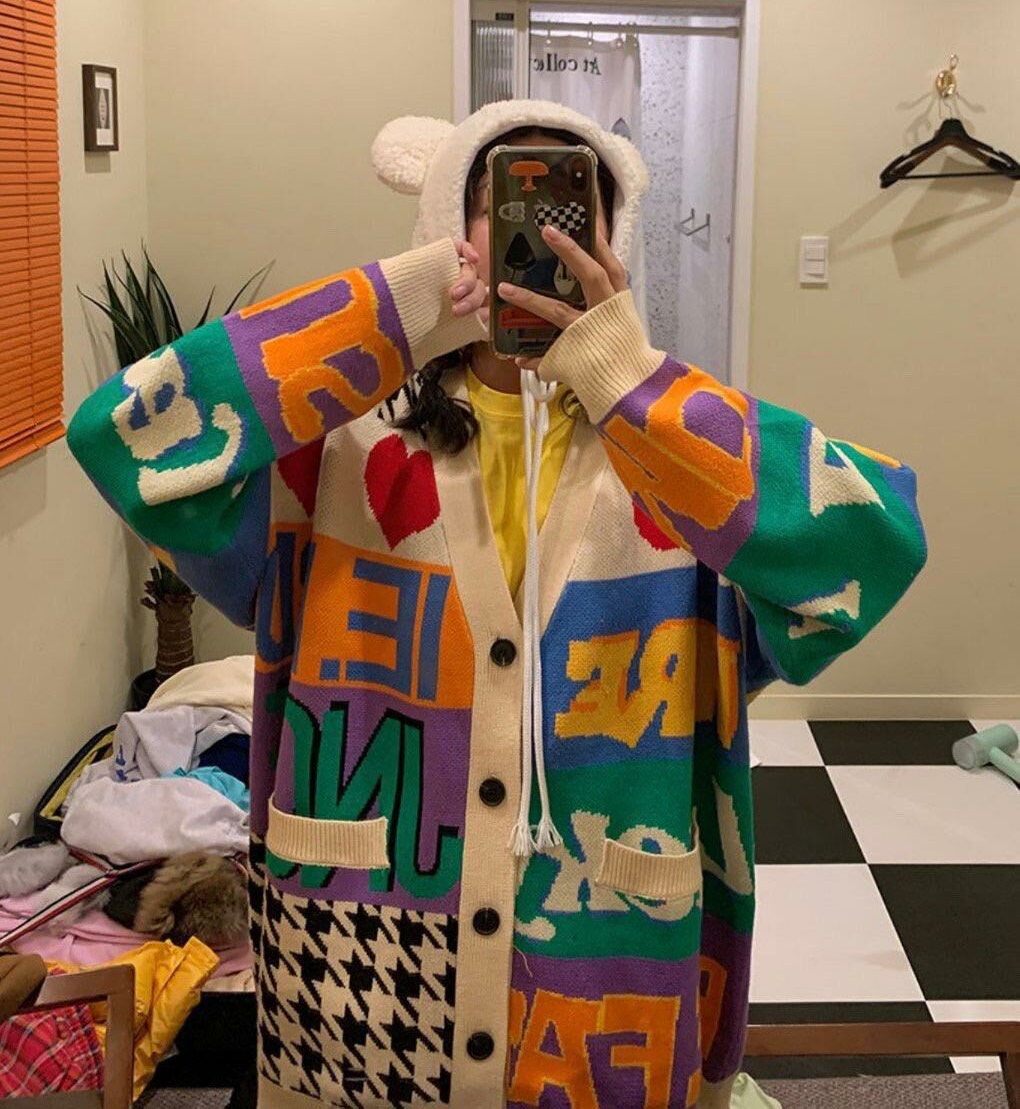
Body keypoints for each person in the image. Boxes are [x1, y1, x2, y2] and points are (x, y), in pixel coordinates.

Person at [66, 99, 926, 1108]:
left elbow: (877, 546)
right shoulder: (338, 457)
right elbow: (121, 437)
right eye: (504, 204)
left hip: (603, 990)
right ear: (446, 229)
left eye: (577, 212)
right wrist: (394, 314)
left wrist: (629, 379)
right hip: (363, 986)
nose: (543, 238)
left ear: (615, 246)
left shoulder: (681, 471)